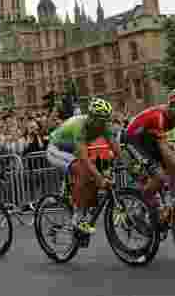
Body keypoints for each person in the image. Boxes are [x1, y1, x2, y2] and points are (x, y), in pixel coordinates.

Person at [46, 98, 120, 237]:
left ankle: (81, 211)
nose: (105, 123)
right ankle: (77, 219)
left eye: (107, 119)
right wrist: (99, 177)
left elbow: (115, 147)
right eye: (101, 120)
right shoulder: (79, 125)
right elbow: (84, 159)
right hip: (56, 150)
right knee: (83, 169)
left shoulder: (103, 126)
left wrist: (130, 167)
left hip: (72, 150)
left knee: (93, 176)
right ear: (92, 117)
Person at [125, 90, 175, 220]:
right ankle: (143, 202)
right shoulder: (159, 117)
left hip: (151, 139)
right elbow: (163, 147)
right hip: (133, 140)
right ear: (171, 107)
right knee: (161, 176)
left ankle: (170, 206)